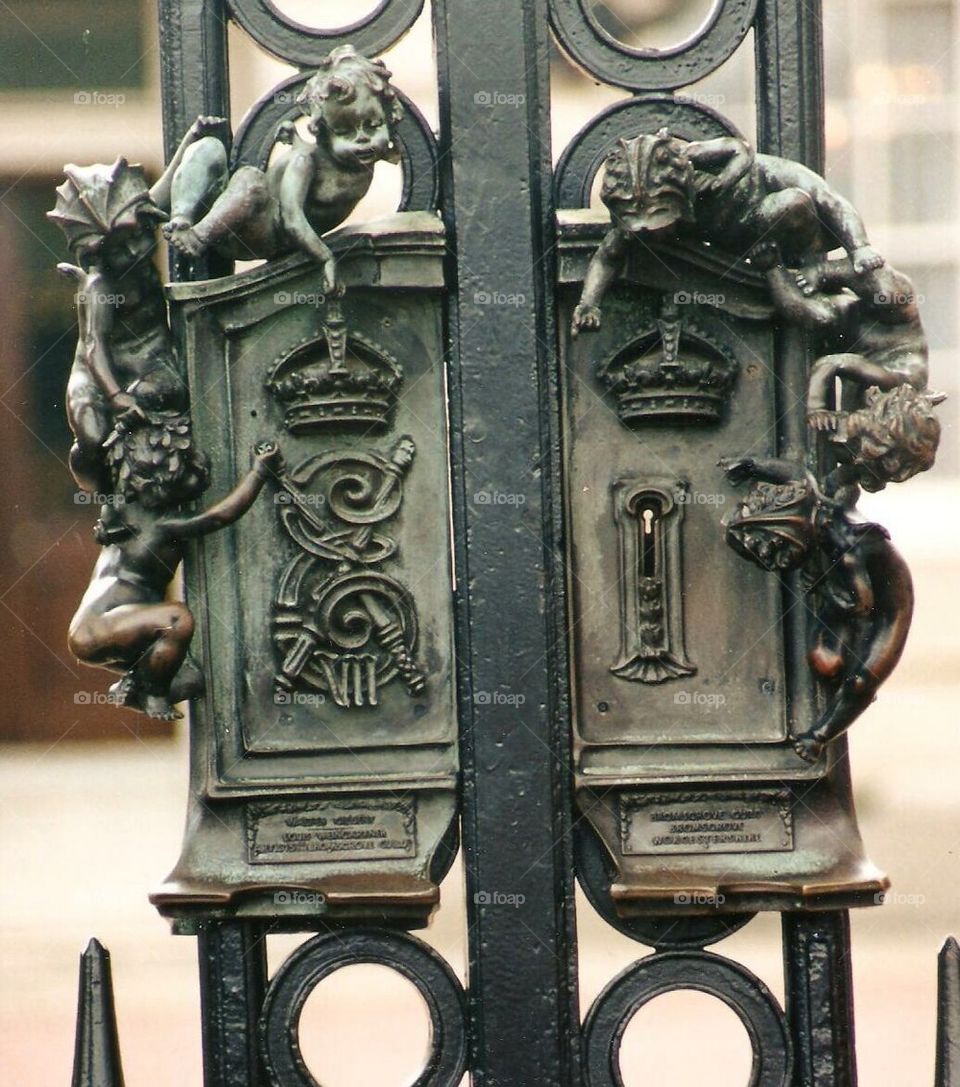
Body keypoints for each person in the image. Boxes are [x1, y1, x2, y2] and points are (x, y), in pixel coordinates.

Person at [68, 431, 282, 720]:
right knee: (176, 620)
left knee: (190, 680)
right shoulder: (162, 524)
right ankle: (152, 693)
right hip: (98, 628)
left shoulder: (120, 509)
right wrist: (258, 473)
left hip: (106, 628)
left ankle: (137, 685)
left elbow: (87, 460)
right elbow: (220, 515)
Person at [162, 45, 403, 295]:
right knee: (234, 167)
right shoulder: (304, 162)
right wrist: (325, 259)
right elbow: (292, 219)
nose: (362, 139)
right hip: (247, 231)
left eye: (373, 125)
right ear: (321, 132)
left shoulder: (364, 158)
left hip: (276, 244)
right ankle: (191, 229)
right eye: (343, 131)